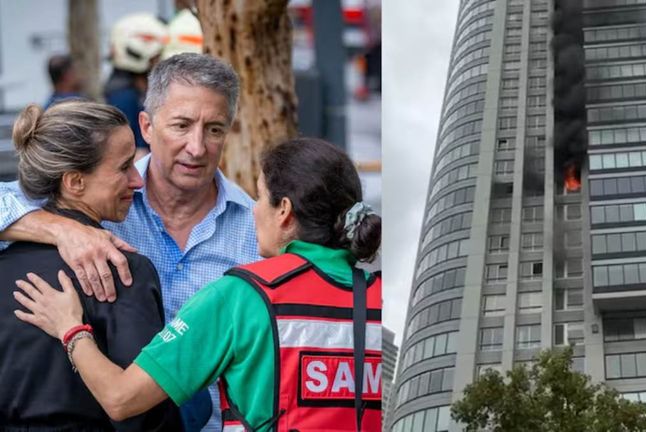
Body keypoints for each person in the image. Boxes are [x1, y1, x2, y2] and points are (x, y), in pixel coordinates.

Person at [13, 137, 383, 432]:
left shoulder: (242, 296)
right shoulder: (379, 294)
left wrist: (71, 329)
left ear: (284, 211)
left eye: (260, 196)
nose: (253, 208)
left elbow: (121, 399)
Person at [0, 53, 257, 431]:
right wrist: (60, 230)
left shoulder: (257, 234)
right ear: (147, 126)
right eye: (181, 125)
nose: (197, 147)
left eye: (214, 129)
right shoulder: (95, 198)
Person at [0, 101, 181, 430]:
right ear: (74, 182)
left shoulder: (5, 264)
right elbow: (145, 416)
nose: (137, 181)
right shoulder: (124, 271)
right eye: (124, 167)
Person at [105, 13, 168, 162]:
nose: (159, 60)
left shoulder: (125, 89)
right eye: (156, 56)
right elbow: (136, 152)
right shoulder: (125, 96)